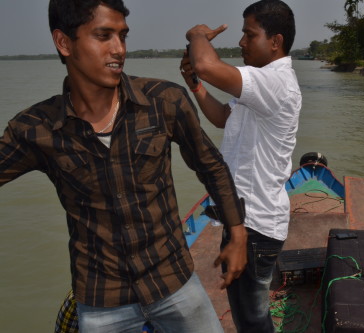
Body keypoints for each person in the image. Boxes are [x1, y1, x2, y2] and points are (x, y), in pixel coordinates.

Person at [0, 1, 248, 332]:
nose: (119, 49)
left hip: (174, 282)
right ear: (63, 43)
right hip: (103, 302)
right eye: (103, 36)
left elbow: (210, 165)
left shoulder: (164, 101)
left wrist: (237, 232)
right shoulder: (35, 128)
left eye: (123, 36)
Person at [179, 1, 301, 332]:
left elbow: (205, 63)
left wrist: (196, 35)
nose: (242, 42)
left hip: (255, 226)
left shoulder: (276, 83)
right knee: (249, 314)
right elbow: (222, 117)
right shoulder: (260, 85)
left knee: (251, 319)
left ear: (275, 42)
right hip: (244, 221)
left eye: (249, 34)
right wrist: (196, 86)